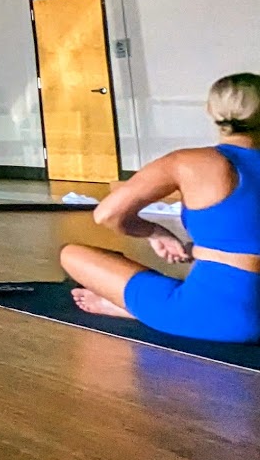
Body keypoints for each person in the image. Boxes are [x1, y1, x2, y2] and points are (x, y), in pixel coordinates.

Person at [59, 73, 260, 343]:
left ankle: (134, 310)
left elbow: (107, 214)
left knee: (71, 255)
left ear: (210, 111)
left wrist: (154, 232)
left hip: (219, 318)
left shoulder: (188, 162)